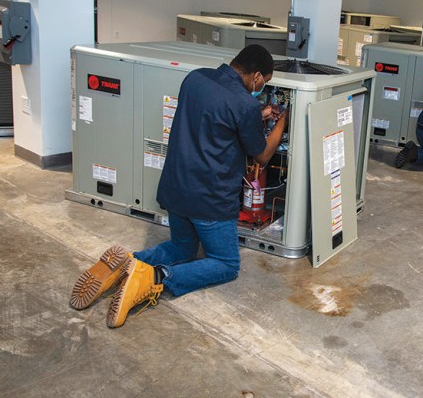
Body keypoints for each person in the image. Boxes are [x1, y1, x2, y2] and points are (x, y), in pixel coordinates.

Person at [70, 44, 288, 328]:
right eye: (264, 83)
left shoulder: (196, 78)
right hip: (209, 199)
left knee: (182, 248)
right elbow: (261, 153)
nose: (260, 88)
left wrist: (256, 112)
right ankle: (154, 278)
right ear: (257, 77)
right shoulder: (244, 104)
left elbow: (218, 113)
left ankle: (125, 264)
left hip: (176, 188)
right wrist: (281, 121)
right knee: (226, 265)